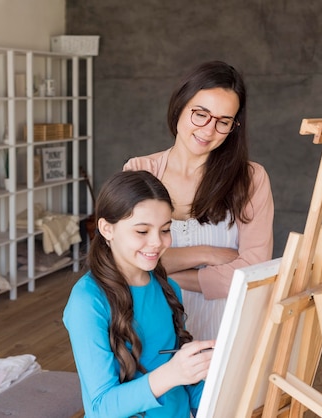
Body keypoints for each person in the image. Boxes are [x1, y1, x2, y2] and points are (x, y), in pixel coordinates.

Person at [123, 61, 274, 341]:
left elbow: (254, 269)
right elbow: (125, 260)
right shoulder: (139, 171)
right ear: (180, 106)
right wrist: (208, 253)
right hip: (154, 326)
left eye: (223, 121)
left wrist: (164, 276)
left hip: (227, 330)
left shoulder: (251, 179)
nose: (208, 130)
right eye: (200, 114)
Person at [63, 170, 214, 418]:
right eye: (142, 231)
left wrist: (210, 381)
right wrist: (173, 373)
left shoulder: (168, 288)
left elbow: (187, 387)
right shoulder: (87, 301)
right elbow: (101, 407)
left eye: (165, 230)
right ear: (106, 229)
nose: (157, 242)